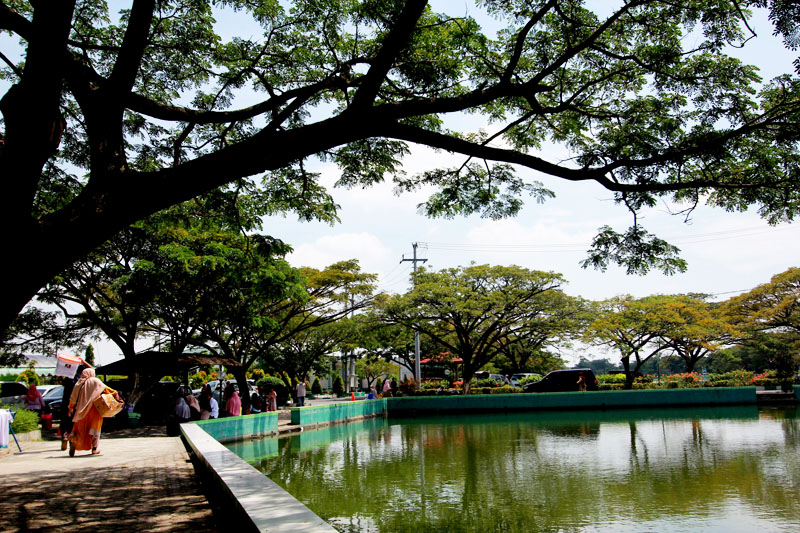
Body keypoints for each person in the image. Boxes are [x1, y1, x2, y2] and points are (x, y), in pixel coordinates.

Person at [67, 368, 120, 457]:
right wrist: (115, 394)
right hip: (95, 409)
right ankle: (94, 449)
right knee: (95, 429)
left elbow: (73, 398)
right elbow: (107, 389)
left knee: (80, 429)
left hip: (81, 411)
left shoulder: (78, 383)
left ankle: (74, 442)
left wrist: (70, 408)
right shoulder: (95, 381)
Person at [59, 363, 88, 450]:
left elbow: (62, 381)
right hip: (76, 405)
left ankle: (64, 436)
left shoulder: (68, 378)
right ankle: (72, 440)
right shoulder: (82, 381)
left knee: (64, 420)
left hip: (65, 403)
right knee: (73, 423)